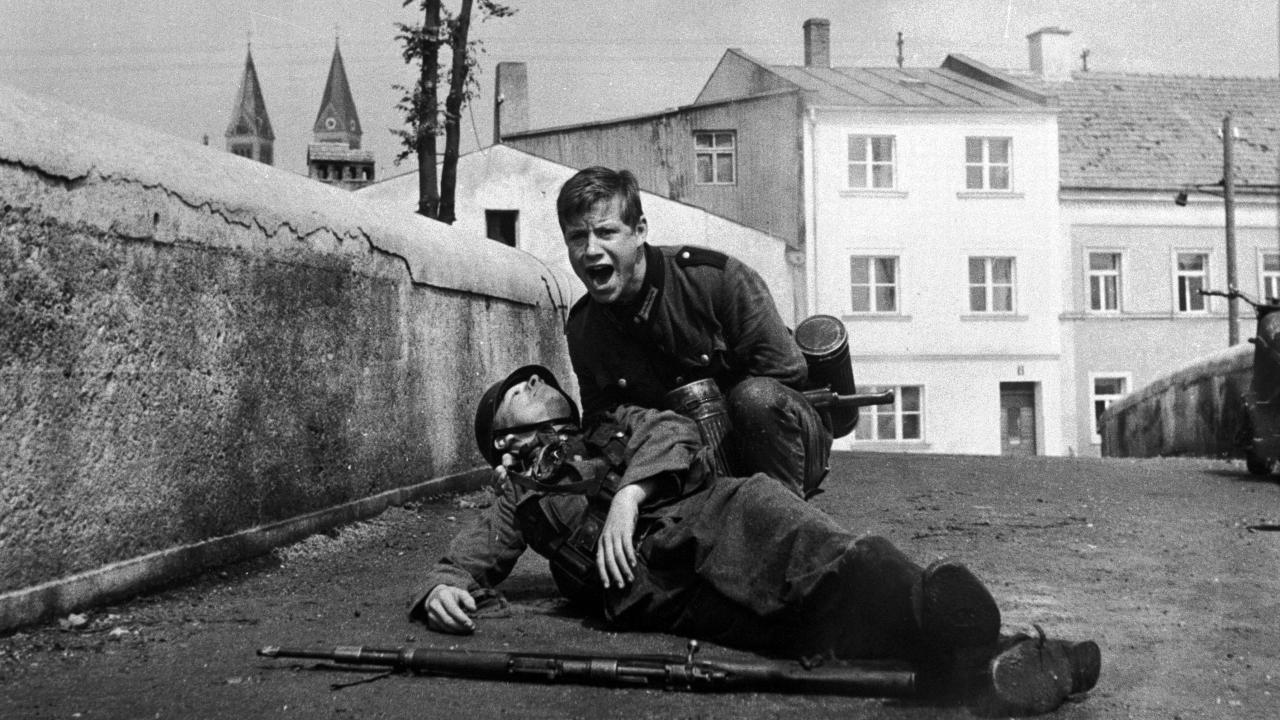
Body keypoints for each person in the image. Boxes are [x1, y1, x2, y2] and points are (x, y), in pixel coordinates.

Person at [409, 365, 1101, 714]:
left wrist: (628, 492)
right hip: (653, 586)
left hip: (719, 513)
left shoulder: (613, 422)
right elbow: (475, 549)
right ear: (504, 438)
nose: (536, 380)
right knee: (806, 623)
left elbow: (675, 433)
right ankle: (1014, 659)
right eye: (518, 388)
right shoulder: (518, 495)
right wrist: (446, 585)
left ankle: (964, 634)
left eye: (539, 377)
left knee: (821, 567)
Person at [558, 166, 832, 499]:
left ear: (639, 231)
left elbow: (787, 376)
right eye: (577, 237)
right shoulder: (584, 329)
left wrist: (714, 426)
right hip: (679, 462)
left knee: (756, 398)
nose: (590, 250)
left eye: (605, 232)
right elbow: (600, 421)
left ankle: (786, 516)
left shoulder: (716, 279)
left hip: (782, 443)